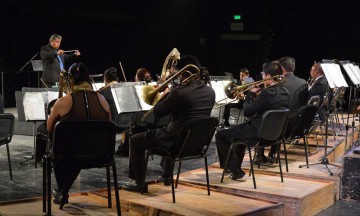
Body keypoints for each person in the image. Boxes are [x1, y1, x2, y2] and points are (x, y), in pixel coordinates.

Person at [123, 55, 215, 192]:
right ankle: (166, 176)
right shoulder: (210, 91)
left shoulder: (179, 92)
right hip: (197, 143)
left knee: (135, 140)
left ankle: (138, 183)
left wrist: (165, 94)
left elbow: (158, 112)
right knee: (172, 128)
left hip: (175, 143)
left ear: (182, 72)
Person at [47, 62, 111, 208]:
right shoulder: (102, 100)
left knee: (59, 146)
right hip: (100, 155)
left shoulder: (63, 102)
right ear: (88, 78)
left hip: (70, 156)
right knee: (81, 145)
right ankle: (62, 191)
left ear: (71, 79)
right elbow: (109, 125)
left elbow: (50, 128)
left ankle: (62, 191)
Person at [215, 61, 290, 180]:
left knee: (220, 135)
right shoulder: (285, 92)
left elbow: (247, 111)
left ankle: (228, 167)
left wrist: (249, 95)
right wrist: (258, 97)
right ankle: (235, 170)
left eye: (264, 76)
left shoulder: (266, 93)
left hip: (257, 134)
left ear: (269, 76)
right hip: (275, 136)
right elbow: (268, 105)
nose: (263, 78)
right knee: (238, 136)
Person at [257, 57, 308, 164]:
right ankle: (273, 153)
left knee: (261, 115)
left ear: (282, 69)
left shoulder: (277, 84)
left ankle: (259, 155)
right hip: (297, 125)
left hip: (280, 127)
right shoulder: (303, 83)